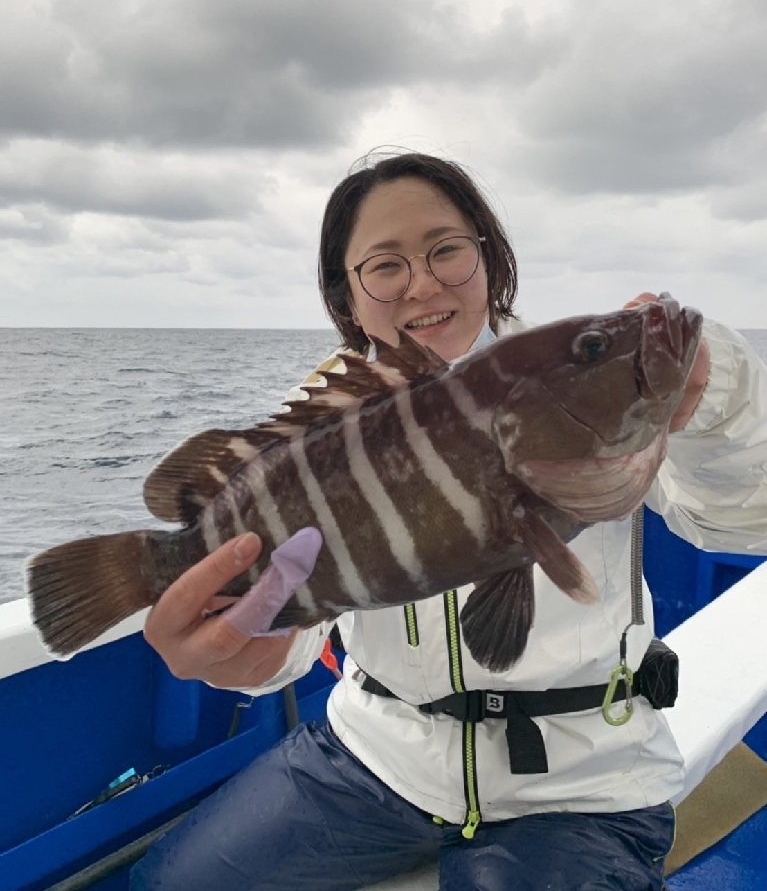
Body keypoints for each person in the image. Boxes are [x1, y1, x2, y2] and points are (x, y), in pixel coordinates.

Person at [130, 152, 767, 891]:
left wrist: (720, 393)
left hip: (581, 786)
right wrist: (250, 655)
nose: (423, 284)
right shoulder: (319, 434)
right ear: (347, 295)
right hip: (369, 760)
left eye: (446, 250)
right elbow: (296, 630)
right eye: (385, 265)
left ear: (488, 259)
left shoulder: (570, 375)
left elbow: (740, 519)